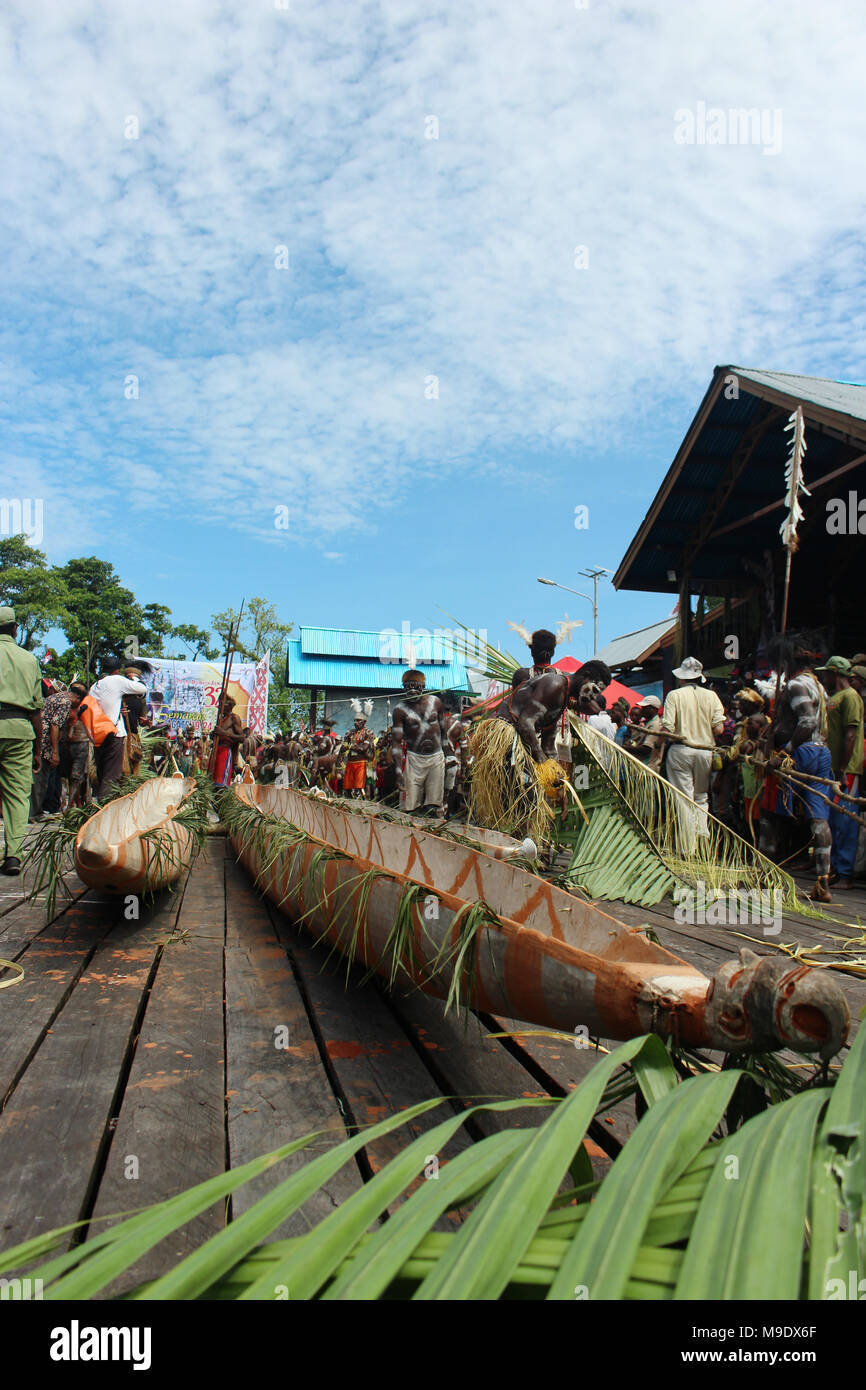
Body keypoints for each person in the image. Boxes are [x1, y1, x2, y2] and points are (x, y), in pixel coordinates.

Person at [770, 636, 833, 902]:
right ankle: (823, 882)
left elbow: (806, 721)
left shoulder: (796, 685)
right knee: (819, 818)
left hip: (802, 752)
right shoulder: (817, 685)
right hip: (821, 752)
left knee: (771, 811)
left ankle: (766, 875)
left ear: (789, 661)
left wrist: (785, 750)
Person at [659, 657, 725, 839]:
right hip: (705, 751)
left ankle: (687, 847)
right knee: (702, 797)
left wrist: (658, 743)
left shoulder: (675, 695)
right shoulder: (711, 696)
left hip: (681, 750)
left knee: (684, 799)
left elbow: (668, 729)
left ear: (682, 678)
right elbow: (719, 728)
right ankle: (702, 837)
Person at [0, 606, 43, 874]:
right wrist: (38, 749)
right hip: (19, 729)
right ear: (15, 630)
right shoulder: (28, 660)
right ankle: (13, 855)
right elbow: (37, 710)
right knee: (17, 795)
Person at [817, 656, 864, 890]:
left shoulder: (851, 697)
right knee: (834, 820)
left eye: (827, 672)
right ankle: (835, 869)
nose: (824, 676)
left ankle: (845, 872)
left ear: (834, 673)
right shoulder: (834, 697)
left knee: (846, 819)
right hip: (832, 766)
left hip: (847, 768)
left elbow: (851, 733)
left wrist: (844, 768)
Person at [84, 657, 148, 800]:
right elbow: (142, 689)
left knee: (101, 771)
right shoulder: (117, 680)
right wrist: (134, 678)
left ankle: (100, 802)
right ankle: (105, 806)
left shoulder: (95, 686)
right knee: (112, 774)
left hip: (98, 735)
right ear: (117, 670)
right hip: (114, 734)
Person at [391, 670, 449, 813]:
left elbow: (444, 732)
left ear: (423, 686)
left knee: (434, 806)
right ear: (403, 687)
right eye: (408, 687)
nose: (411, 690)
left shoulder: (435, 702)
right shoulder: (400, 710)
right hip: (414, 760)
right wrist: (399, 771)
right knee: (410, 807)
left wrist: (450, 755)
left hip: (436, 757)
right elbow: (396, 743)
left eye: (416, 687)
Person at [342, 700, 376, 798]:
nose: (355, 723)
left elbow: (363, 749)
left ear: (364, 722)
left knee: (359, 788)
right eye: (354, 720)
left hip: (362, 763)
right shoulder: (350, 733)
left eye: (358, 721)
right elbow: (344, 747)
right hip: (350, 763)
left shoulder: (368, 733)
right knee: (347, 788)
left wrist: (350, 746)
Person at [212, 694, 244, 786]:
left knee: (220, 784)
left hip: (225, 753)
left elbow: (242, 738)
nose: (218, 706)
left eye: (221, 704)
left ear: (228, 706)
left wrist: (224, 733)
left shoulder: (234, 718)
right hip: (216, 751)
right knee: (212, 782)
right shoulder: (221, 719)